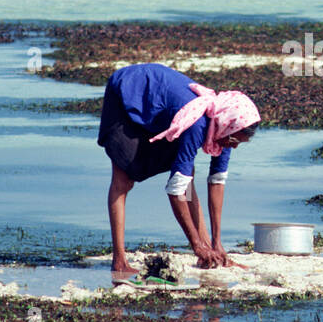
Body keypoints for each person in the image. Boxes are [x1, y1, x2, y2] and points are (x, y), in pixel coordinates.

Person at [98, 64, 260, 286]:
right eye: (235, 141)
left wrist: (216, 243)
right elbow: (175, 191)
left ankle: (207, 247)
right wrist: (195, 244)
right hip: (128, 91)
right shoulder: (199, 125)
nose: (235, 146)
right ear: (227, 127)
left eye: (239, 142)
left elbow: (217, 181)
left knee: (187, 174)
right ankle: (119, 260)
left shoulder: (227, 131)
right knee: (123, 179)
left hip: (159, 102)